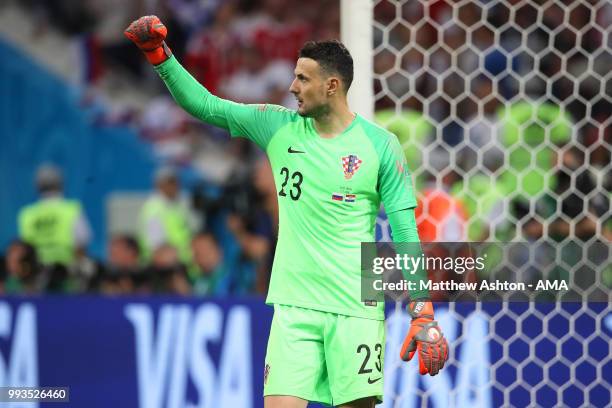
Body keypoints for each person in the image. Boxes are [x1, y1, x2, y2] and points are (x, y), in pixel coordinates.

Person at [125, 16, 449, 408]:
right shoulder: (276, 126)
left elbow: (404, 232)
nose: (292, 87)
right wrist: (160, 57)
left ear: (332, 86)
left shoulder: (380, 146)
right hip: (294, 307)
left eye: (303, 79)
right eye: (295, 76)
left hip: (356, 308)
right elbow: (205, 105)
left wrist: (422, 310)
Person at [18, 164, 92, 267]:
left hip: (37, 272)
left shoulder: (27, 214)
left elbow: (24, 247)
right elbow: (83, 240)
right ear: (61, 183)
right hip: (65, 270)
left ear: (37, 185)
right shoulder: (71, 209)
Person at [138, 166, 193, 265]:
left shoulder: (173, 205)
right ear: (159, 185)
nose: (175, 186)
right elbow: (157, 245)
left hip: (180, 265)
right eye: (170, 182)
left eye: (175, 182)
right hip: (167, 268)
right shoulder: (153, 208)